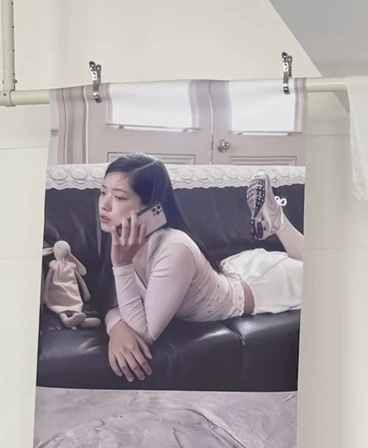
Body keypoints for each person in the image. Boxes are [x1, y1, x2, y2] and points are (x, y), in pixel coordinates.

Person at [99, 154, 303, 384]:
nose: (104, 205)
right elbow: (111, 302)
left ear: (151, 206)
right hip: (235, 270)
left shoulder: (174, 248)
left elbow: (144, 333)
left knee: (327, 272)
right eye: (102, 192)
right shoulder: (120, 236)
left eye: (119, 197)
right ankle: (276, 221)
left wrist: (122, 265)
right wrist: (115, 326)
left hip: (264, 287)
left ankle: (279, 222)